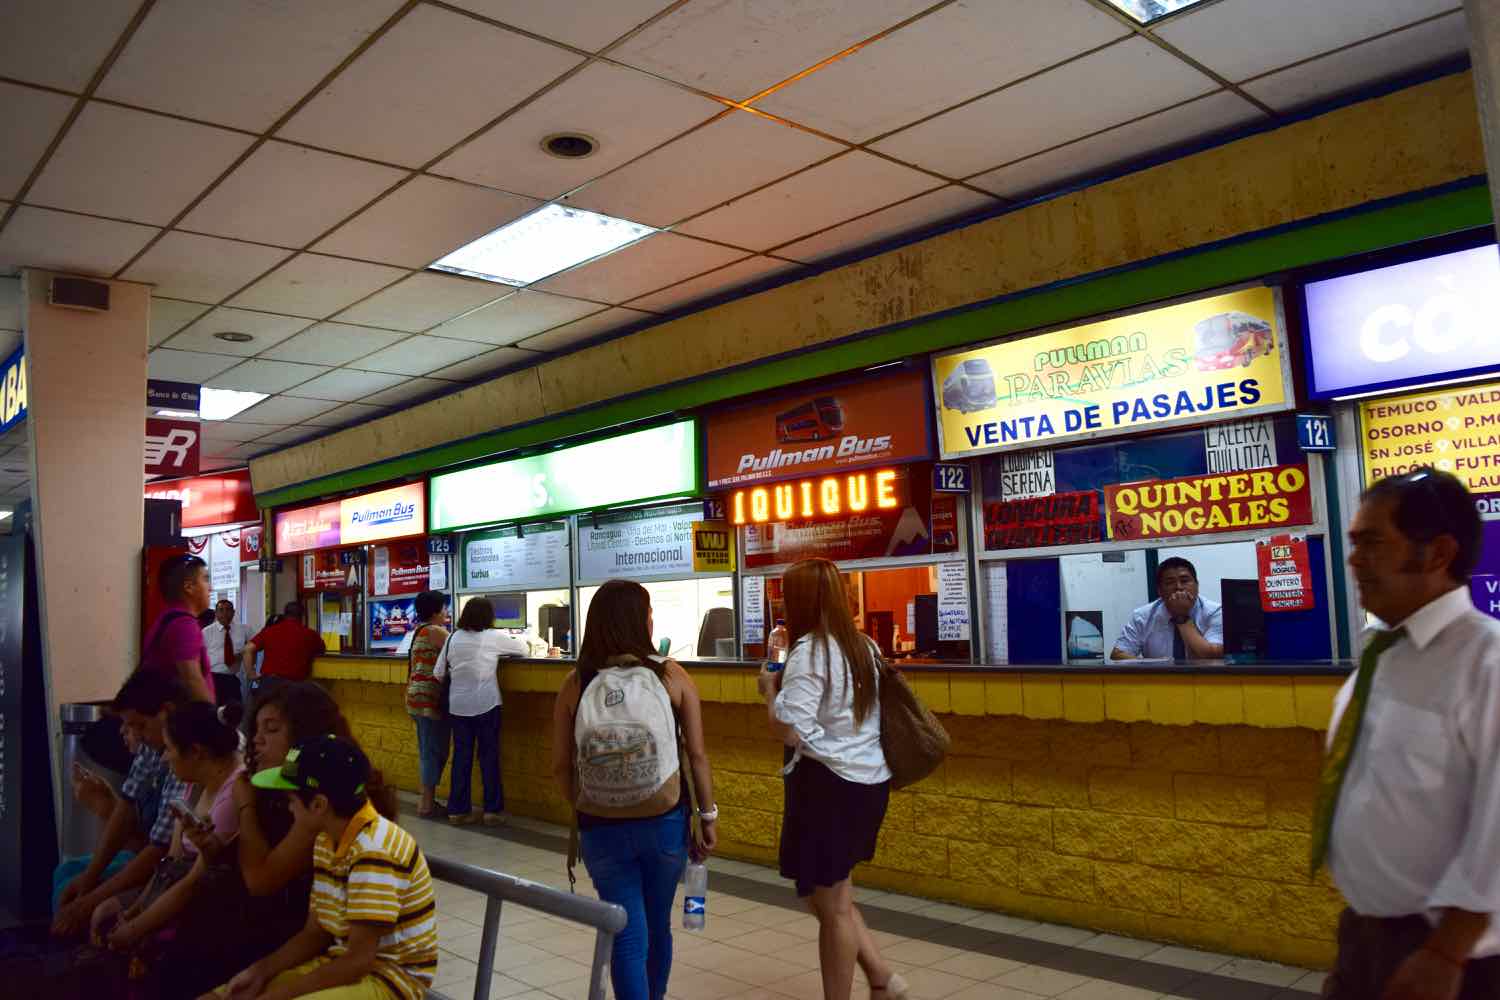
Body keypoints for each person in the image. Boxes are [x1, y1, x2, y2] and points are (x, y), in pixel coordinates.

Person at [1316, 468, 1500, 999]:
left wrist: (1446, 953)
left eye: (1372, 542)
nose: (1353, 560)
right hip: (1366, 939)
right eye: (1354, 543)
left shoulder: (1484, 664)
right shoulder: (1382, 654)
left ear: (1437, 553)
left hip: (1456, 960)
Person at [550, 579, 717, 1000]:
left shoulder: (577, 681)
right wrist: (707, 816)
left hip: (600, 829)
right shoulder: (671, 675)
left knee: (626, 930)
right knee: (656, 926)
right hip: (663, 823)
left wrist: (590, 804)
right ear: (643, 620)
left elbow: (559, 765)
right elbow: (697, 756)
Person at [181, 682, 400, 993]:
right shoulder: (284, 794)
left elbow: (261, 880)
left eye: (271, 729)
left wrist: (244, 803)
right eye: (256, 729)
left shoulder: (323, 810)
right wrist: (212, 849)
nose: (256, 740)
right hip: (296, 938)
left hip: (292, 936)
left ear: (305, 736)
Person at [756, 558, 906, 1000]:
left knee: (833, 904)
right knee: (818, 892)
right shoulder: (866, 646)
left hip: (830, 787)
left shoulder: (810, 653)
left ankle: (858, 988)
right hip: (868, 782)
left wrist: (769, 694)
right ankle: (881, 976)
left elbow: (789, 727)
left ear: (799, 600)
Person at [212, 736, 437, 1000]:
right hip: (342, 963)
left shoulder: (373, 851)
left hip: (391, 980)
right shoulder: (326, 840)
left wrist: (280, 994)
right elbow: (314, 933)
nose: (289, 807)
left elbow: (358, 961)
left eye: (291, 799)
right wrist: (261, 971)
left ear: (318, 805)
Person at [88, 702, 246, 998]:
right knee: (107, 914)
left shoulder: (232, 796)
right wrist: (133, 909)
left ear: (196, 752)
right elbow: (170, 863)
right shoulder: (194, 783)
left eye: (170, 748)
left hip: (206, 909)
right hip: (180, 890)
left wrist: (135, 928)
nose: (164, 756)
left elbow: (194, 882)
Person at [52, 673, 193, 938]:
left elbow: (159, 851)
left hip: (168, 869)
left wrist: (88, 902)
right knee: (68, 875)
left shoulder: (184, 755)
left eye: (140, 725)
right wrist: (90, 878)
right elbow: (126, 805)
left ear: (167, 712)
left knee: (95, 912)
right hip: (152, 859)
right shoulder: (152, 745)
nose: (134, 735)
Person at [434, 597, 526, 827]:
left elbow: (438, 673)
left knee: (461, 758)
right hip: (487, 705)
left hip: (458, 706)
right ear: (488, 616)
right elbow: (524, 649)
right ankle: (492, 811)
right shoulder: (493, 637)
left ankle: (457, 811)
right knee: (488, 757)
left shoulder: (452, 637)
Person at [1109, 556, 1224, 661]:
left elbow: (1211, 656)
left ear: (1197, 585)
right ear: (1159, 591)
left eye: (1185, 581)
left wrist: (1181, 617)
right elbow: (1118, 654)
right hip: (1159, 682)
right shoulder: (1143, 616)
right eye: (1170, 583)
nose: (1178, 587)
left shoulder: (1215, 612)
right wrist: (1153, 667)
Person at [404, 591, 451, 818]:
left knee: (430, 749)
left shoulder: (420, 631)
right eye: (443, 609)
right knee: (433, 751)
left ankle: (427, 801)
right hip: (429, 699)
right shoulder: (436, 631)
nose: (446, 613)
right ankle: (426, 804)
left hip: (416, 698)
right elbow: (459, 651)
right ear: (435, 611)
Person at [143, 553, 215, 703]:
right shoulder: (184, 624)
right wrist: (210, 721)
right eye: (205, 579)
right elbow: (191, 679)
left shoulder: (167, 619)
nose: (211, 588)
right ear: (189, 587)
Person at [242, 601, 326, 684]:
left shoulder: (269, 631)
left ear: (285, 614)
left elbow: (247, 649)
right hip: (297, 685)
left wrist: (251, 674)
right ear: (302, 616)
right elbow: (322, 651)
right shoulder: (311, 634)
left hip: (270, 683)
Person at [203, 598, 250, 706]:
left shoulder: (244, 630)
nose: (225, 613)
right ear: (216, 613)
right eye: (221, 610)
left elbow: (255, 647)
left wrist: (244, 653)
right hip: (213, 678)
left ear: (233, 612)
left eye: (228, 610)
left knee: (234, 713)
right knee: (214, 713)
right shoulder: (207, 632)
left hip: (233, 678)